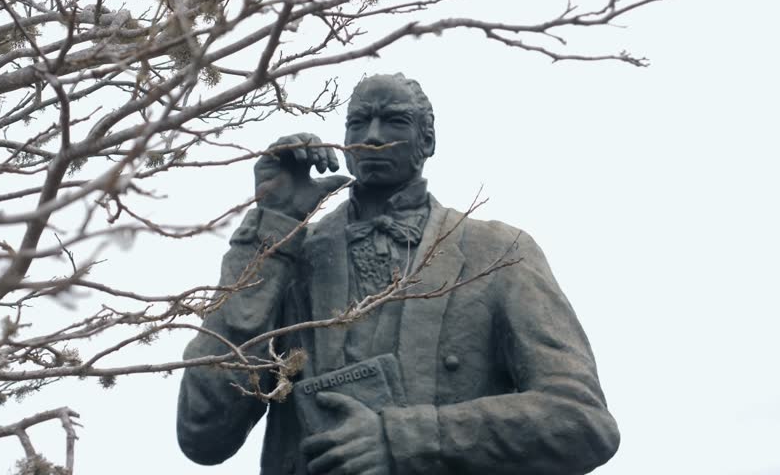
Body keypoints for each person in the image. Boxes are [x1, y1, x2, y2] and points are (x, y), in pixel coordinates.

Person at [177, 73, 619, 475]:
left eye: (394, 121)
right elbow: (203, 434)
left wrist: (406, 439)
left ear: (427, 141)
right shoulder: (291, 260)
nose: (372, 136)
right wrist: (272, 231)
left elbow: (580, 420)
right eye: (358, 122)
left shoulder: (498, 253)